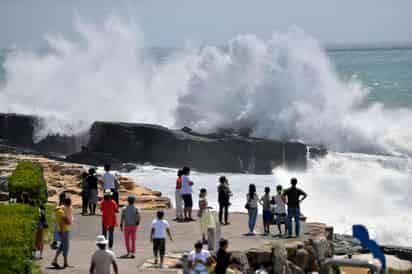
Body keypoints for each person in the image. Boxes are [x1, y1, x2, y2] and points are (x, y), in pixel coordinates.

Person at [51, 197, 73, 269]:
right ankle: (65, 263)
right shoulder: (60, 212)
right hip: (64, 231)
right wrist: (69, 220)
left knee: (61, 247)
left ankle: (55, 260)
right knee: (66, 247)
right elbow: (65, 221)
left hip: (62, 230)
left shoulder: (59, 210)